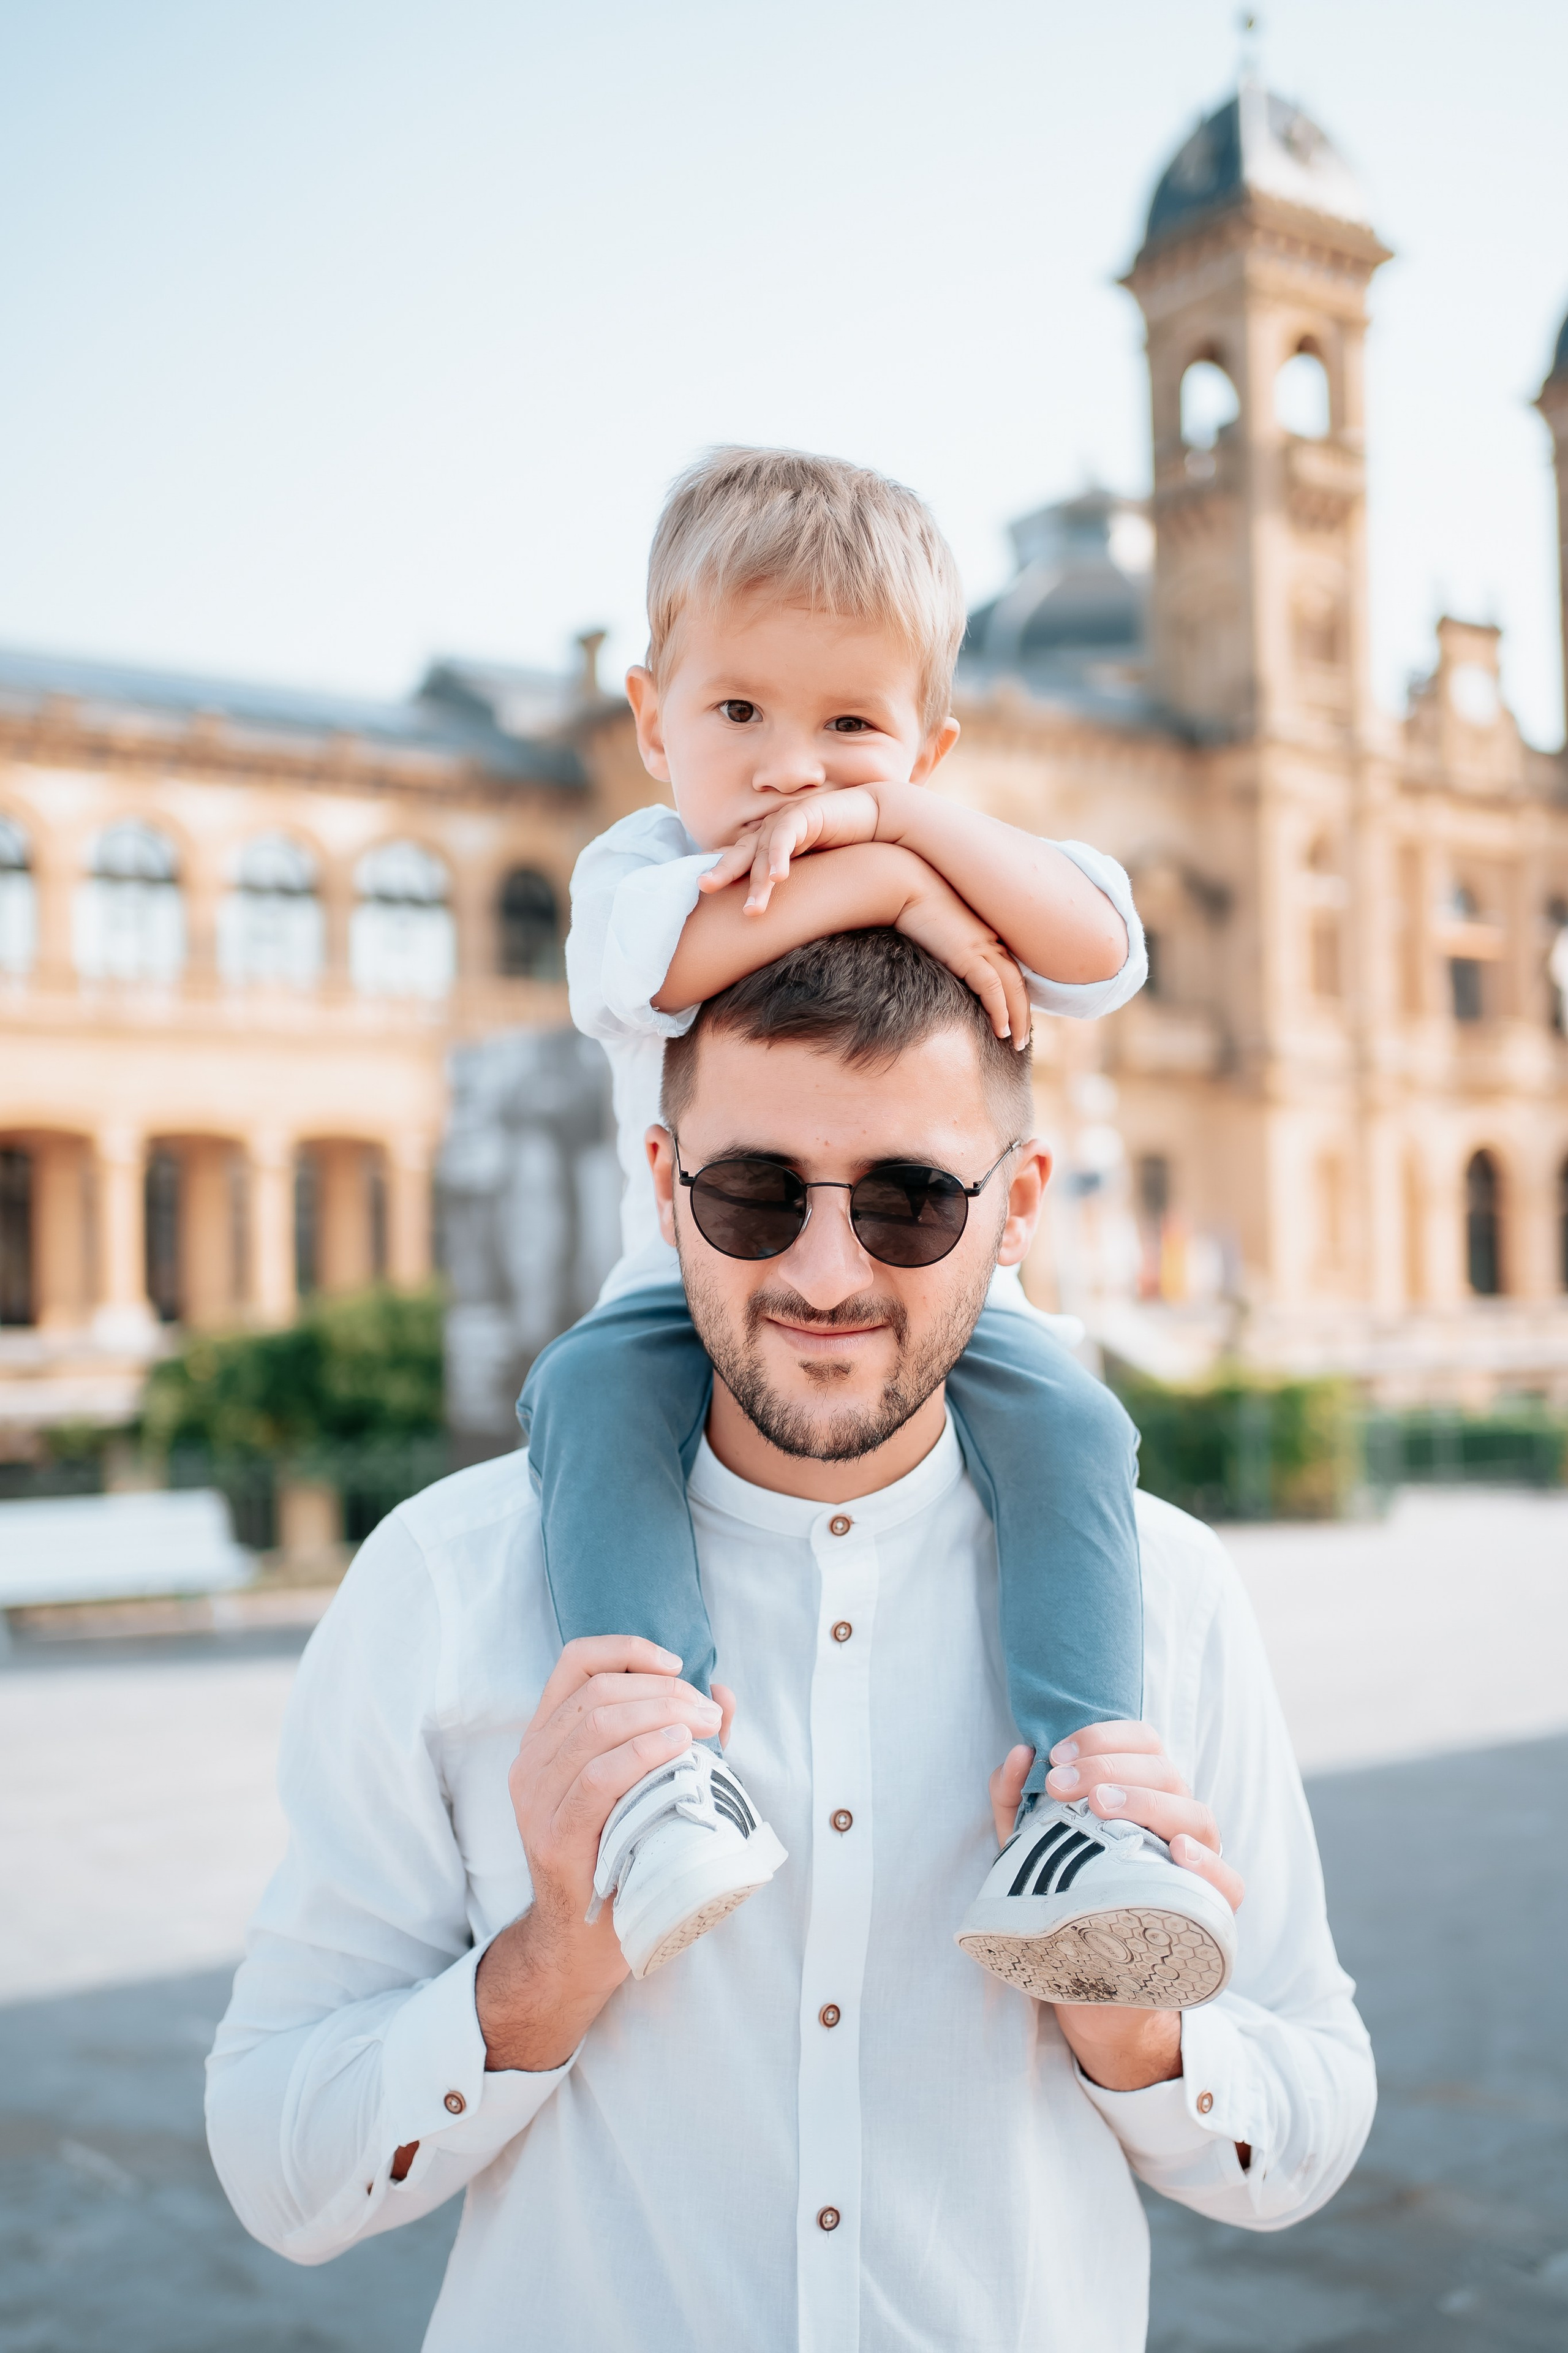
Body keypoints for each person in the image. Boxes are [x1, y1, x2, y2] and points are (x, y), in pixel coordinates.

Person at [206, 930, 1376, 2352]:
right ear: (663, 1190)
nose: (826, 1272)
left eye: (909, 1200)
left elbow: (1308, 2127)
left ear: (1016, 1208)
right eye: (756, 1193)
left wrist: (1137, 2038)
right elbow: (277, 2168)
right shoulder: (447, 1581)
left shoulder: (1167, 1593)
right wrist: (550, 1963)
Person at [518, 445, 1229, 2002]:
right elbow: (672, 965)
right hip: (688, 1285)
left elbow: (1102, 942)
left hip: (947, 1296)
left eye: (848, 723)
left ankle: (1079, 1802)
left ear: (929, 739)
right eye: (736, 713)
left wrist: (912, 832)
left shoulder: (933, 830)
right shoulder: (636, 870)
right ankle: (660, 1773)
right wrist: (900, 891)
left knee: (1071, 1426)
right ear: (652, 719)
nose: (791, 766)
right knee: (580, 1391)